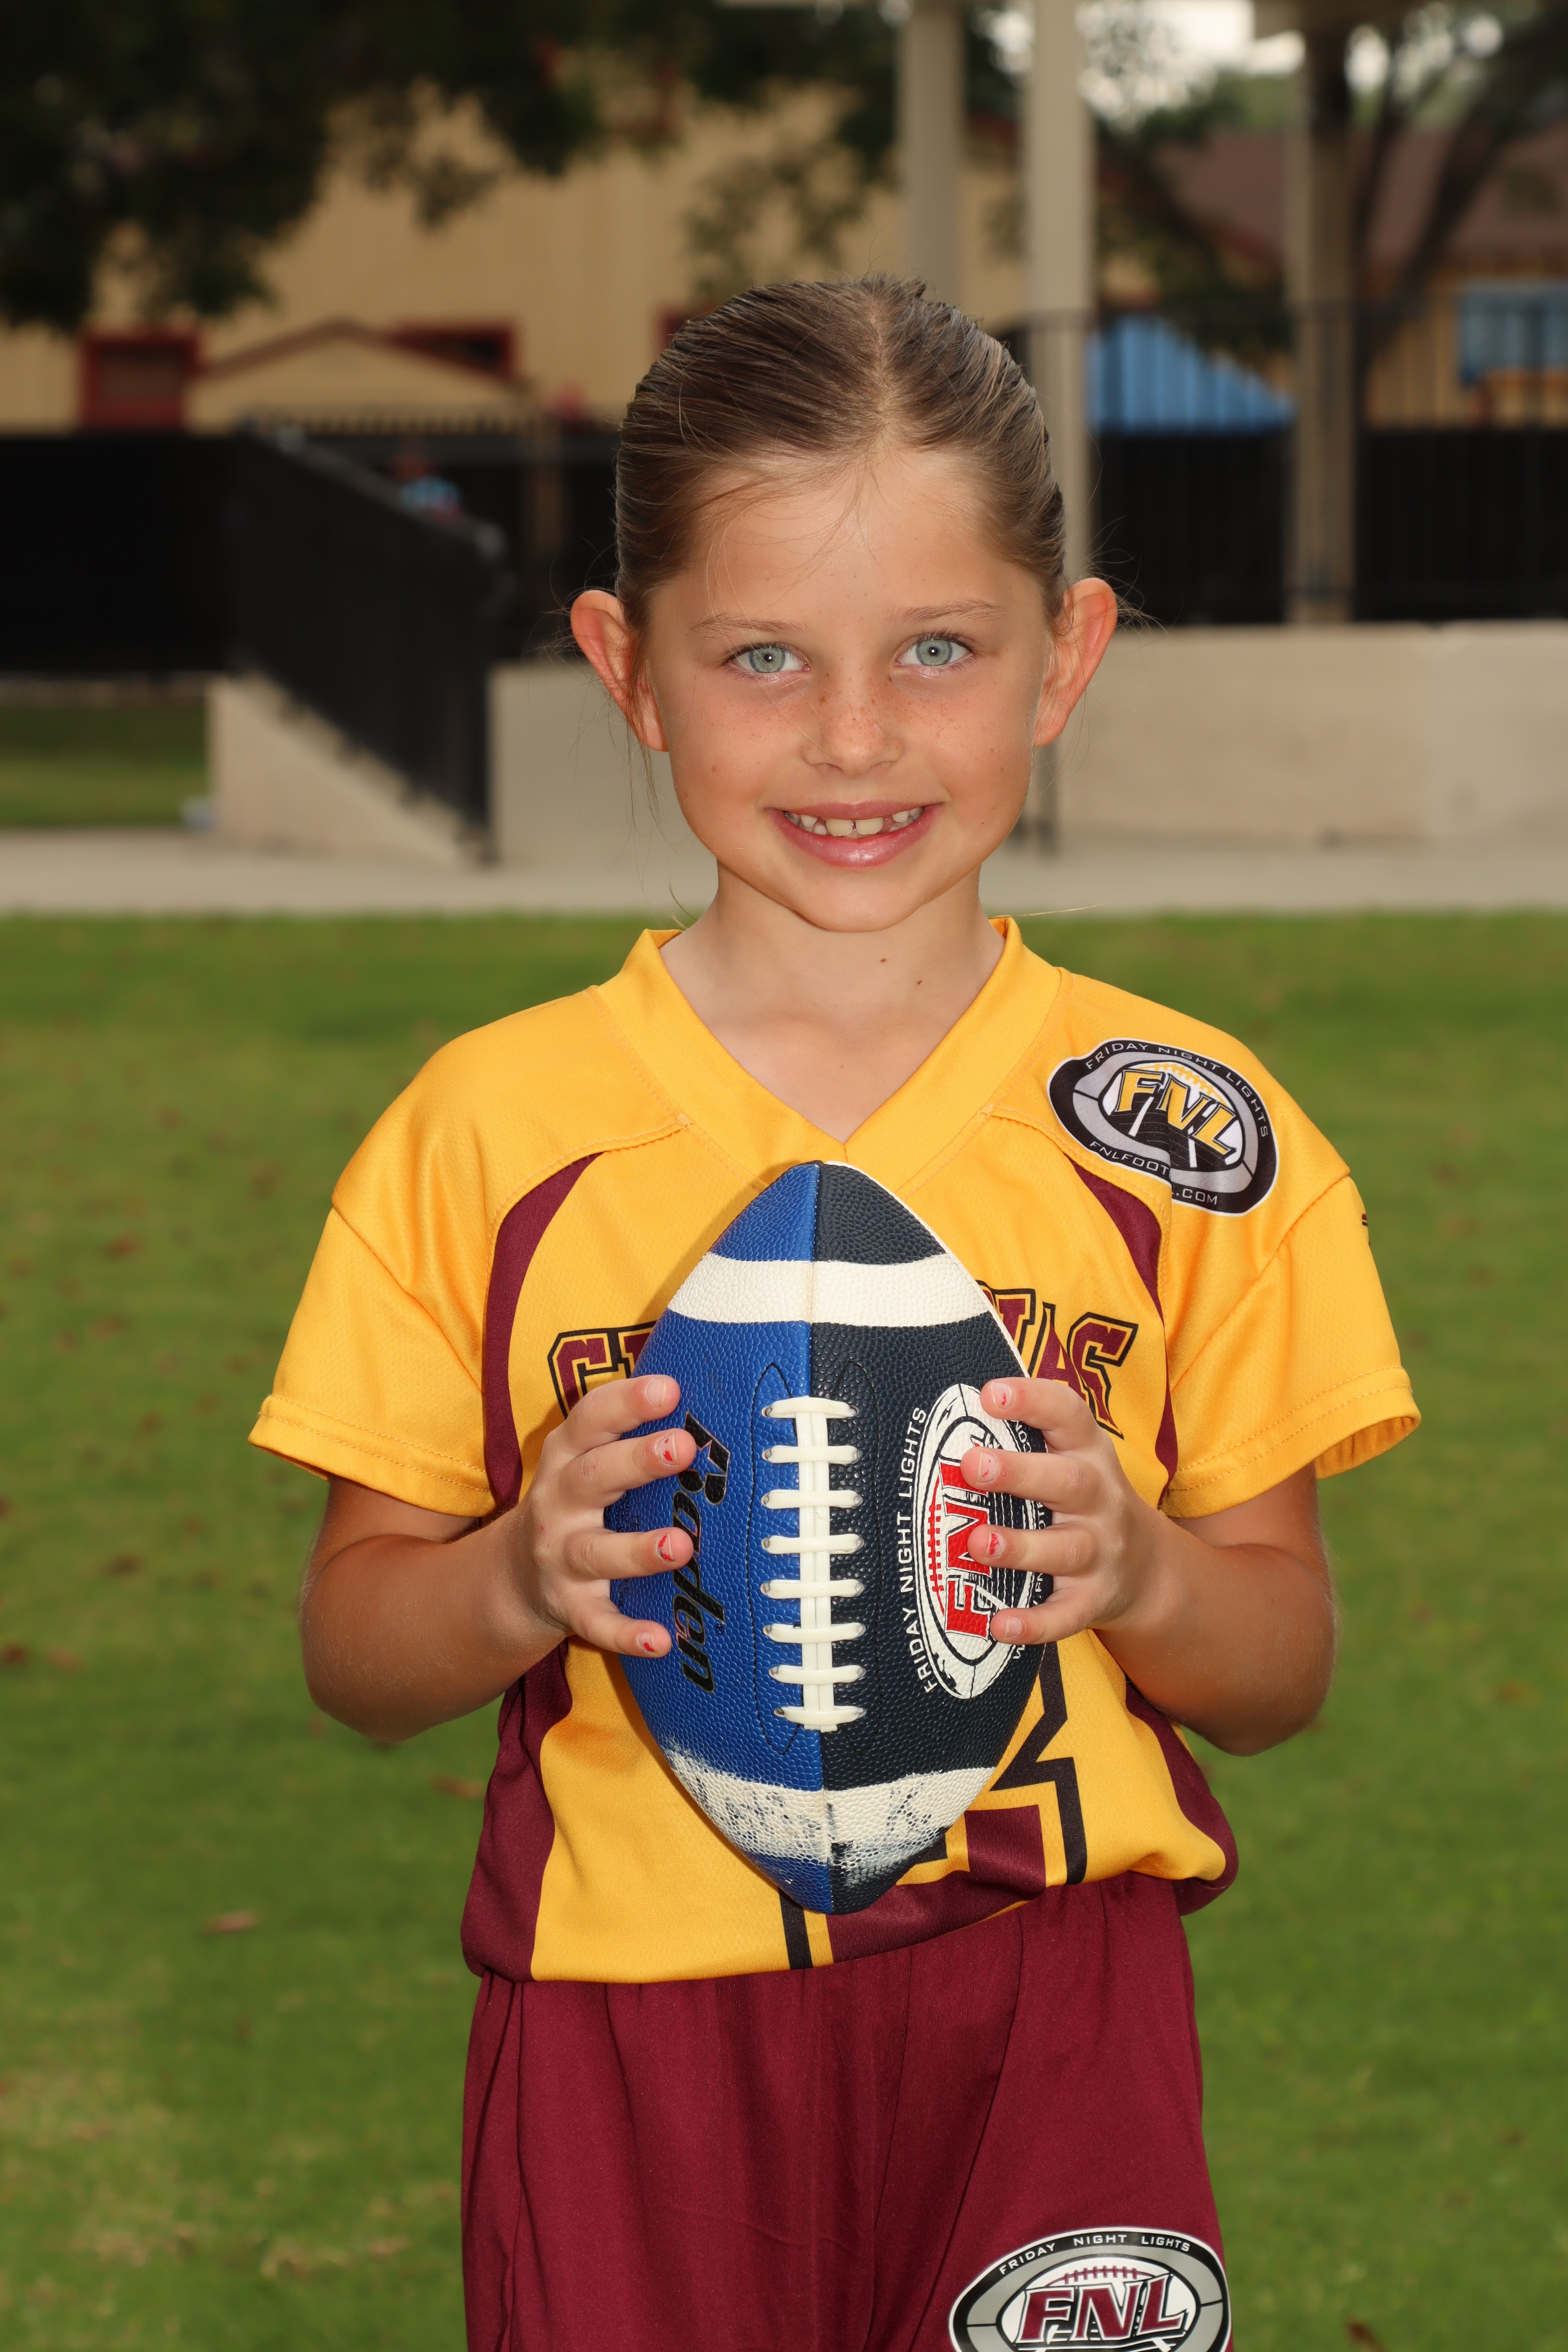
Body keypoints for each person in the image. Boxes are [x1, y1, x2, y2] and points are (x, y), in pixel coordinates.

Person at [251, 276, 1418, 2351]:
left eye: (938, 651)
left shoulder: (1184, 1133)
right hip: (632, 2040)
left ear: (1065, 656)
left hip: (1053, 2014)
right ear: (630, 670)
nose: (854, 738)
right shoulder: (488, 1133)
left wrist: (1140, 1569)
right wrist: (517, 1573)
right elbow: (356, 1651)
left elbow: (1279, 1664)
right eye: (763, 656)